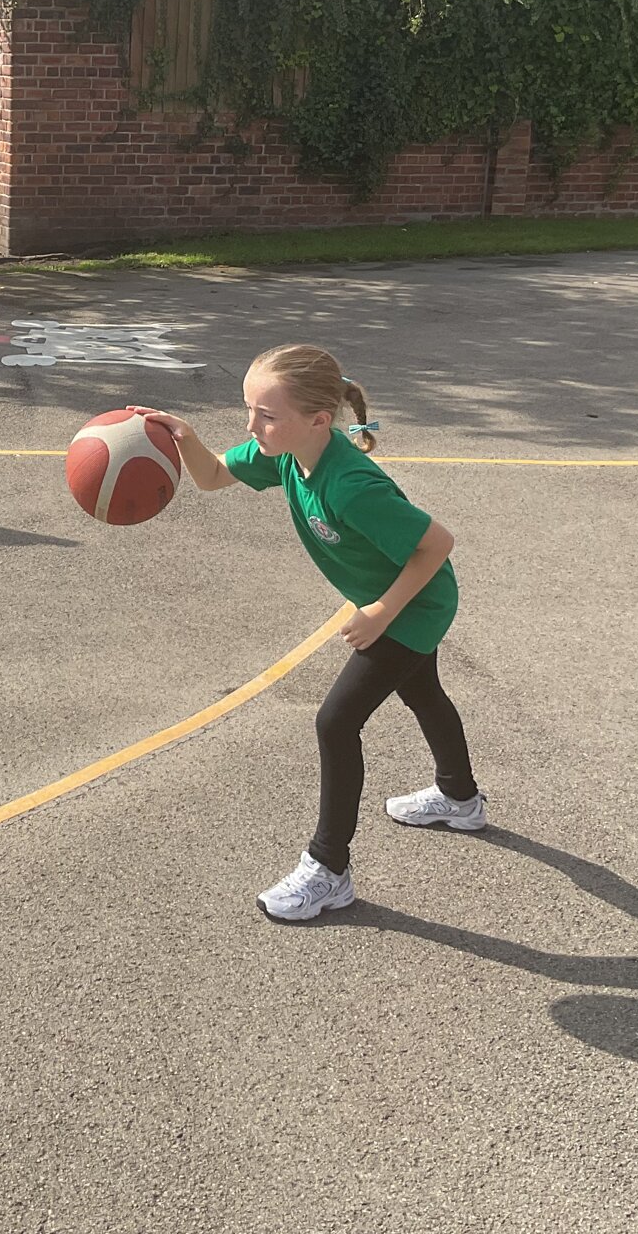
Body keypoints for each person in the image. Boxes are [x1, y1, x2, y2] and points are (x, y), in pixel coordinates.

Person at [136, 343, 485, 923]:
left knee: (336, 720)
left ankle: (329, 870)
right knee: (422, 691)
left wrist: (379, 611)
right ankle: (460, 798)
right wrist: (185, 438)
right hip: (394, 603)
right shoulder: (285, 453)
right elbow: (214, 477)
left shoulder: (350, 485)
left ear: (318, 420)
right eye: (250, 410)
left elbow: (437, 545)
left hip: (414, 606)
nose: (253, 426)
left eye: (266, 415)